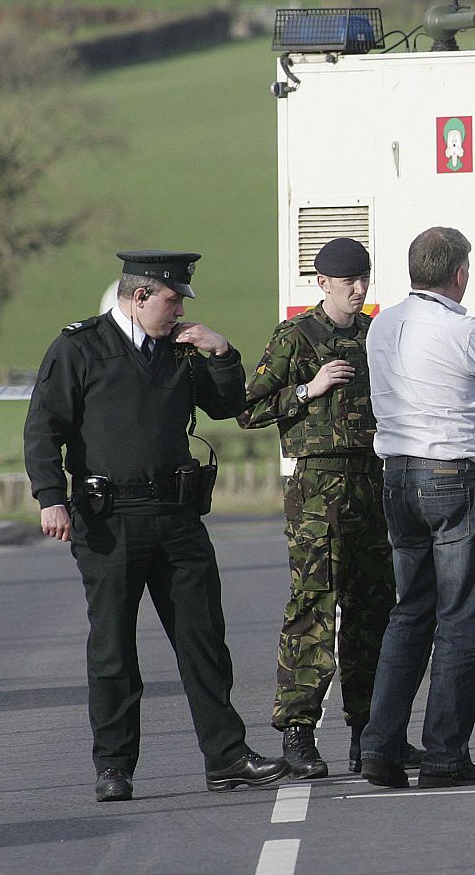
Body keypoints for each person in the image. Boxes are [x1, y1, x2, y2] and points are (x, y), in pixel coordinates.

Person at [24, 250, 290, 802]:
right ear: (140, 296)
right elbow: (43, 429)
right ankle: (115, 766)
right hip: (109, 520)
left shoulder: (181, 350)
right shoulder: (80, 347)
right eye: (171, 300)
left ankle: (226, 758)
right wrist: (51, 498)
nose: (178, 311)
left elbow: (226, 405)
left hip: (176, 517)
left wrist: (221, 352)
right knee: (114, 648)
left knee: (204, 641)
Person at [358, 226, 475, 790]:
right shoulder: (463, 329)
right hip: (453, 477)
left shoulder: (381, 324)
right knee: (463, 620)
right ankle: (444, 754)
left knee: (409, 612)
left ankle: (380, 747)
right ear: (460, 273)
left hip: (399, 475)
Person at [239, 237, 421, 779]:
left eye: (364, 280)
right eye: (349, 284)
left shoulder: (375, 333)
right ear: (322, 285)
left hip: (373, 479)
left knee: (375, 610)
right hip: (318, 487)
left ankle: (372, 731)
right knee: (315, 607)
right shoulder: (297, 337)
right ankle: (298, 731)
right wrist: (306, 390)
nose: (359, 291)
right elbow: (248, 409)